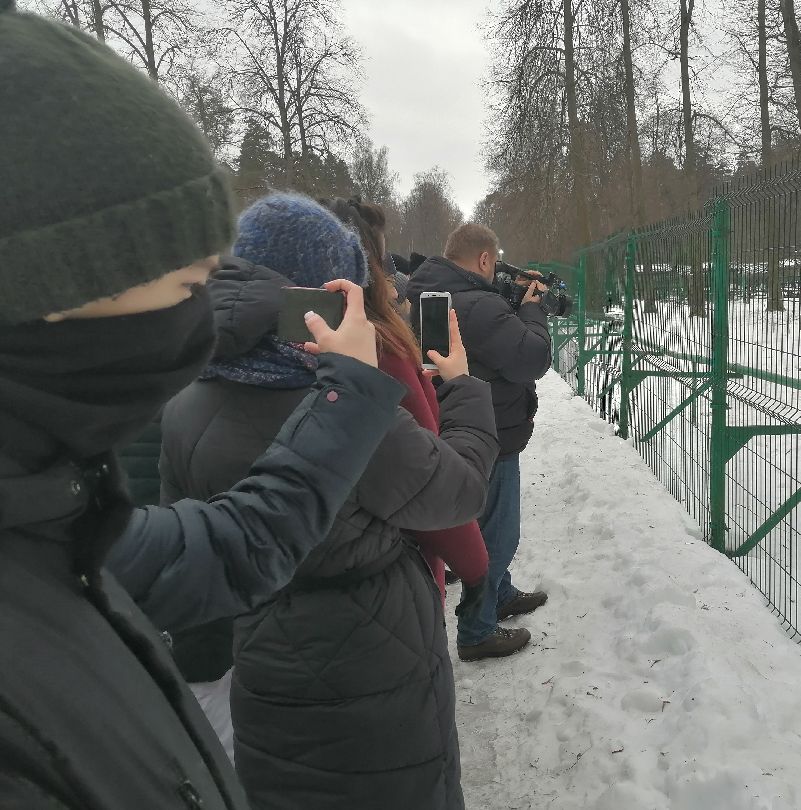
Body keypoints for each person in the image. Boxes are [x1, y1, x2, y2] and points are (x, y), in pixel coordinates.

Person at [0, 7, 405, 808]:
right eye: (190, 287)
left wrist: (351, 394)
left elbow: (236, 546)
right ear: (54, 292)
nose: (201, 324)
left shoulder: (54, 525)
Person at [161, 193, 500, 810]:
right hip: (376, 673)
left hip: (264, 670)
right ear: (319, 299)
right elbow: (458, 490)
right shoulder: (350, 413)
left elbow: (195, 574)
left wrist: (205, 673)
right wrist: (464, 388)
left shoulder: (185, 405)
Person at [324, 197, 490, 604]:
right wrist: (461, 386)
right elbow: (431, 483)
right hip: (384, 595)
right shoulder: (378, 350)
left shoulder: (256, 353)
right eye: (383, 264)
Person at [408, 224, 552, 661]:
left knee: (484, 523)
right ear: (485, 260)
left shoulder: (427, 292)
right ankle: (477, 629)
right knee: (498, 533)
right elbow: (533, 358)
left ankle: (500, 594)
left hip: (455, 424)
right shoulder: (480, 306)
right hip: (492, 432)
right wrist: (531, 311)